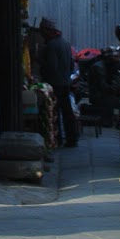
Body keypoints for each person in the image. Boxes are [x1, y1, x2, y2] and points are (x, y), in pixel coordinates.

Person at [37, 17, 78, 149]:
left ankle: (58, 139)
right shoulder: (65, 43)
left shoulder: (51, 46)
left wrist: (40, 63)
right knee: (67, 112)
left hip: (55, 83)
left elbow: (51, 66)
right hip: (65, 81)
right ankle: (72, 138)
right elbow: (71, 65)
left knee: (54, 112)